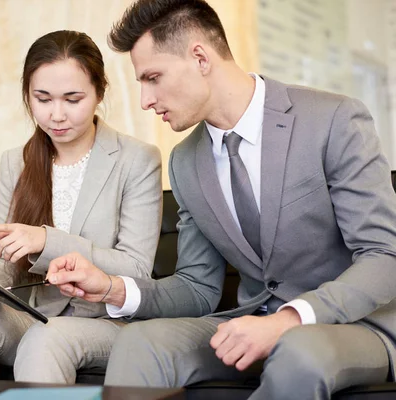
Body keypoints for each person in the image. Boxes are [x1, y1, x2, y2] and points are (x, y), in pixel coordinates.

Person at [45, 1, 396, 399]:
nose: (145, 99)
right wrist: (111, 288)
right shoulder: (185, 161)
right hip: (248, 322)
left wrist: (289, 320)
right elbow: (197, 287)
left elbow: (384, 255)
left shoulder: (334, 120)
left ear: (199, 57)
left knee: (298, 349)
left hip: (354, 326)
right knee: (140, 342)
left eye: (153, 78)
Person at [0, 30, 163, 383]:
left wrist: (47, 241)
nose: (56, 115)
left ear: (99, 93)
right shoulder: (17, 162)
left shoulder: (137, 160)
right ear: (27, 95)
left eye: (72, 99)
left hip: (107, 324)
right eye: (42, 99)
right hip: (35, 314)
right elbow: (7, 261)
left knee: (48, 338)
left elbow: (136, 269)